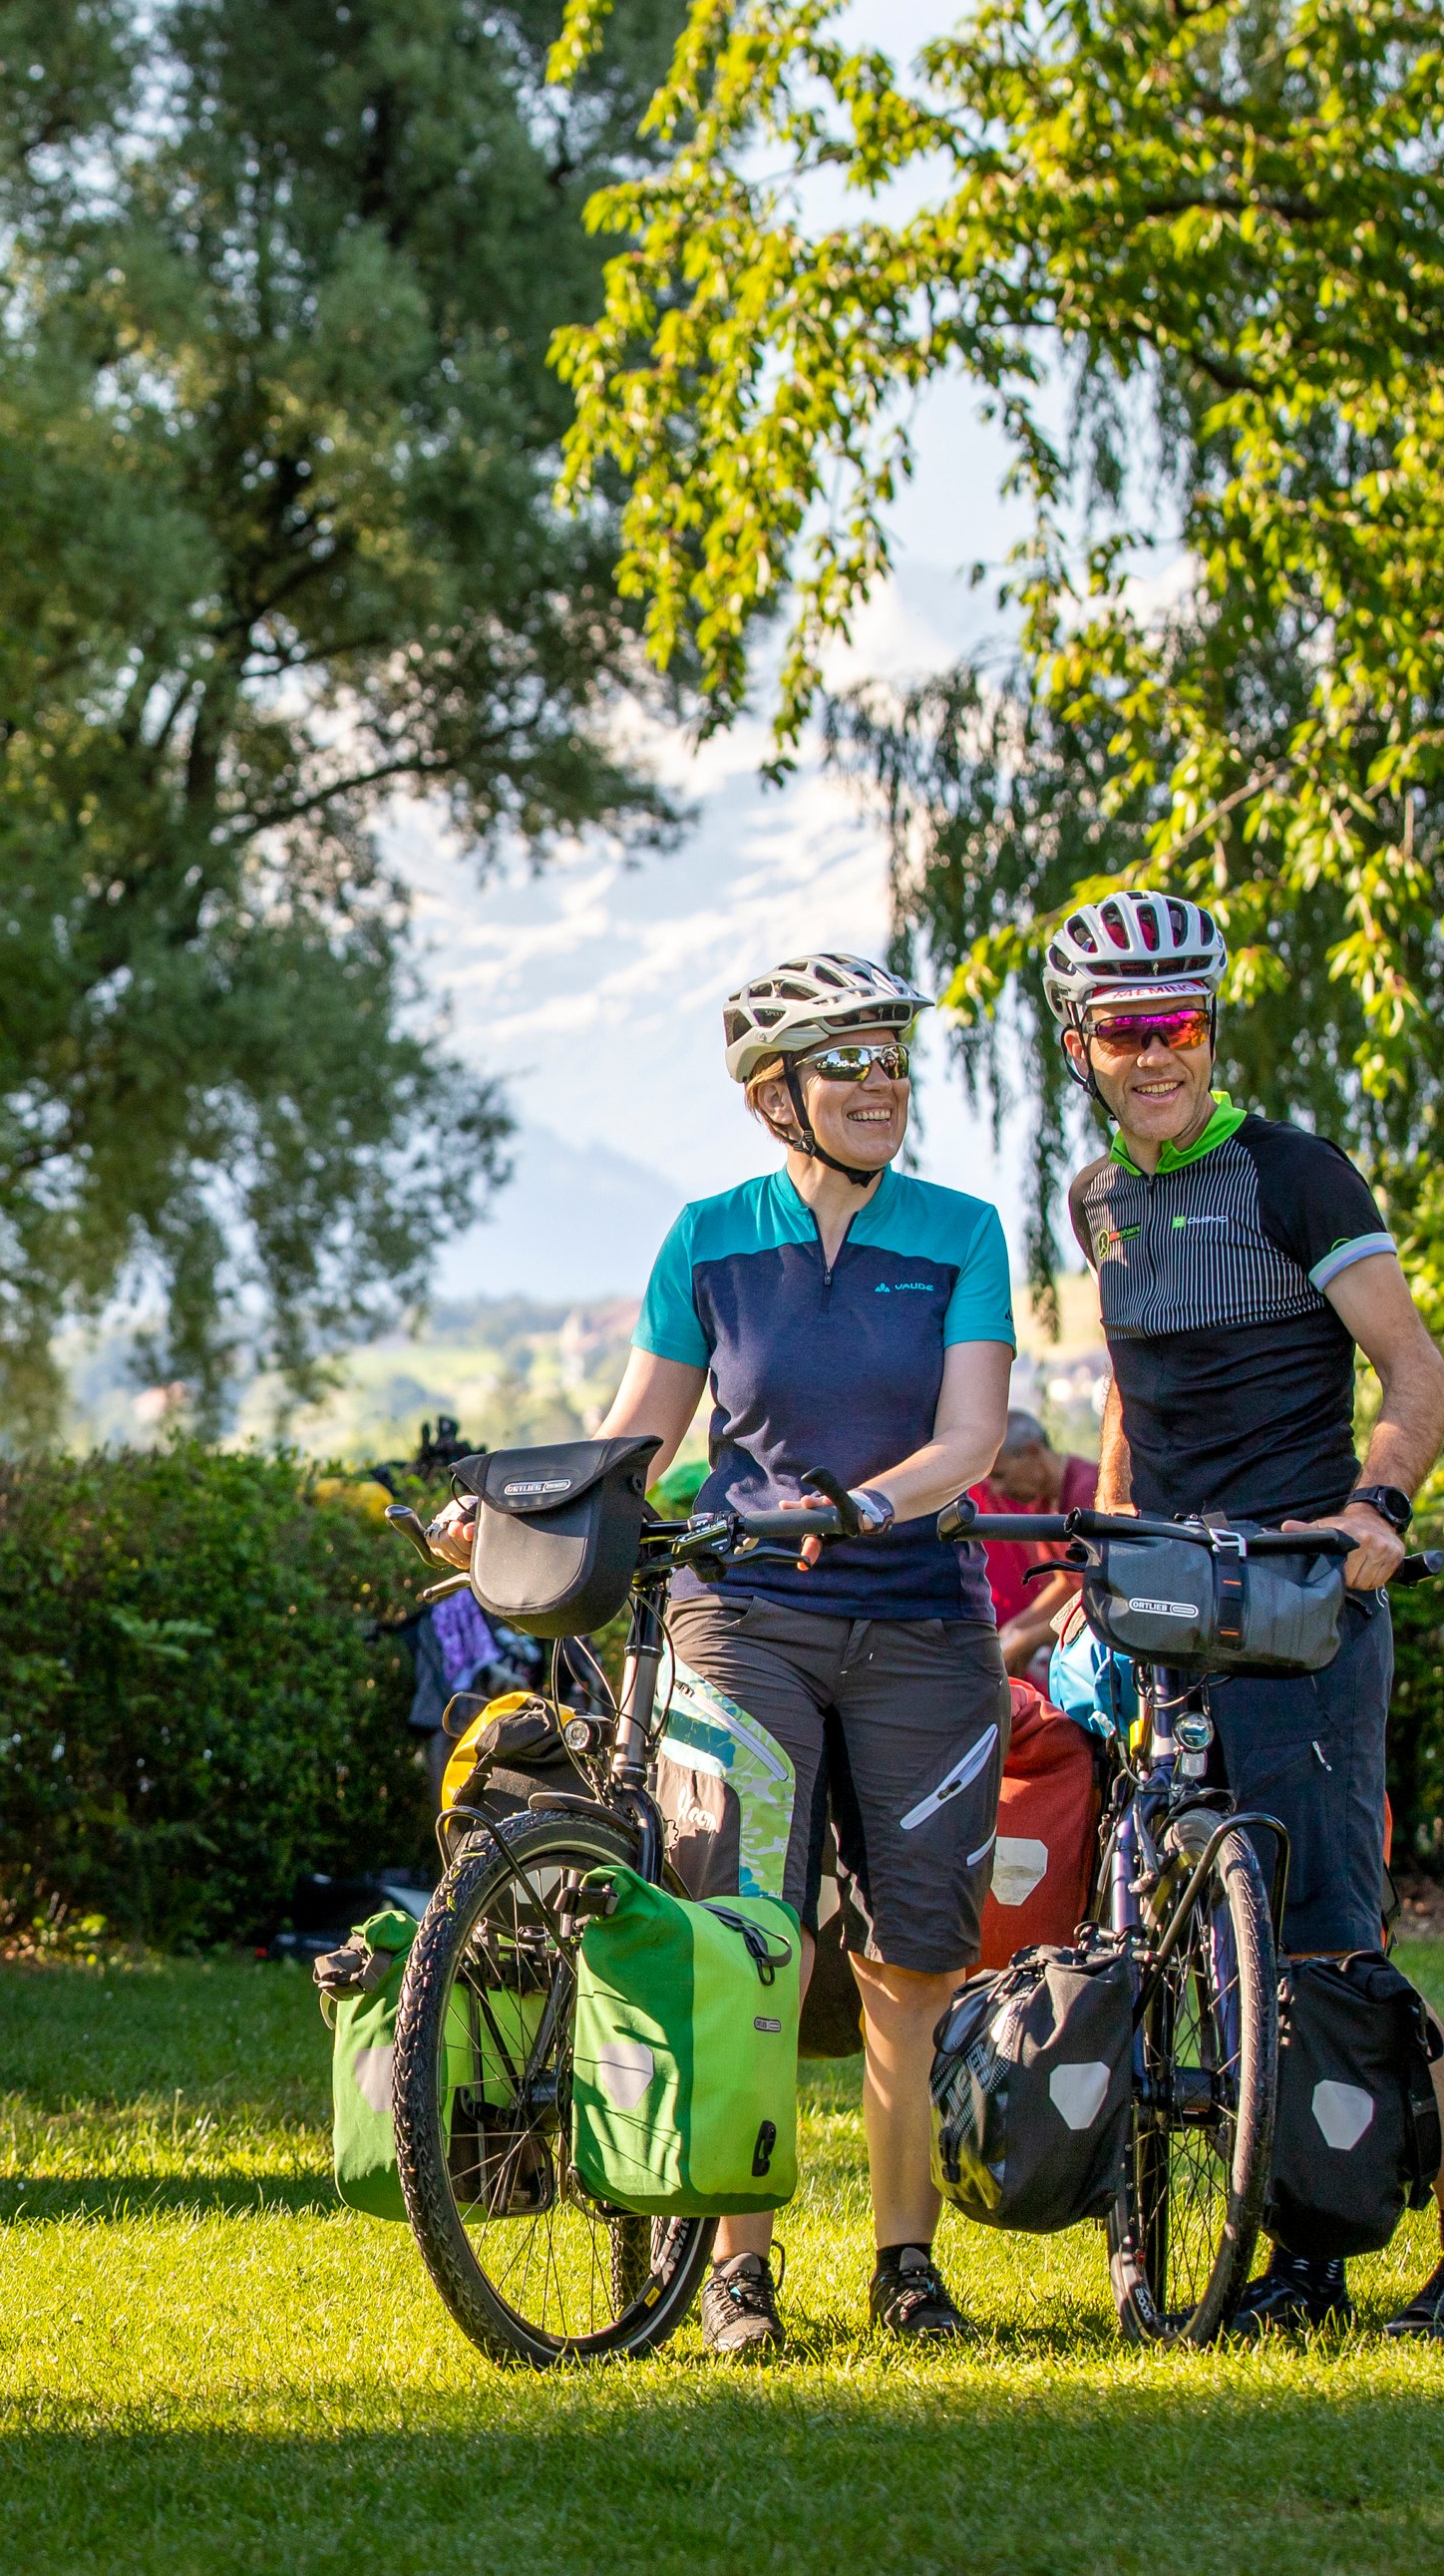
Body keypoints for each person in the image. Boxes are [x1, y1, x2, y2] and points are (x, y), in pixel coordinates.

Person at [445, 949, 1015, 2354]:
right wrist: (512, 1514)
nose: (881, 1082)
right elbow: (634, 1441)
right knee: (744, 1934)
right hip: (745, 1611)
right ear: (775, 1096)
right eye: (848, 1061)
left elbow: (971, 1436)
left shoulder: (962, 1231)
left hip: (922, 1621)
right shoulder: (708, 1239)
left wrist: (866, 1503)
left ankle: (905, 2266)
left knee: (911, 1962)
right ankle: (734, 2269)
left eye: (892, 1057)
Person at [1044, 887, 1444, 2339]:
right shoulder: (1096, 1197)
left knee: (1328, 1943)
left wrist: (1377, 1508)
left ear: (1213, 1028)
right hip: (1171, 1609)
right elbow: (1131, 1392)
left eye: (1179, 1022)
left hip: (1304, 1605)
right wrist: (1099, 1557)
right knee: (1220, 1942)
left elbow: (1416, 1372)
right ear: (1080, 1046)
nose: (1157, 1052)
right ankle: (1306, 2255)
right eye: (1126, 1030)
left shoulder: (1296, 1175)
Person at [966, 1408, 1095, 1672]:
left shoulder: (1089, 1490)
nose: (997, 1490)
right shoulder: (1044, 1502)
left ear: (1033, 1451)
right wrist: (1013, 1630)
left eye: (1000, 1476)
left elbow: (1102, 1594)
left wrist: (1030, 1639)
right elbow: (1067, 1583)